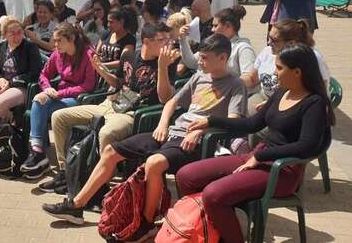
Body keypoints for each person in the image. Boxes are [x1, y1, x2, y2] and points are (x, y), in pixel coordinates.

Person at [43, 34, 246, 239]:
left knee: (154, 163)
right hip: (171, 133)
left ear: (222, 58)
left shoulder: (235, 85)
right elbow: (171, 102)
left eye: (204, 58)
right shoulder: (198, 77)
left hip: (196, 142)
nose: (199, 62)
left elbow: (233, 122)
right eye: (200, 57)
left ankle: (146, 223)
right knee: (110, 150)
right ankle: (76, 205)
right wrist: (163, 124)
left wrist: (201, 130)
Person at [176, 43, 333, 243]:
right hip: (258, 156)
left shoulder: (314, 103)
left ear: (297, 72)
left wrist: (259, 157)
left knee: (213, 195)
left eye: (279, 68)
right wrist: (211, 121)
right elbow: (251, 124)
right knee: (186, 176)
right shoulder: (281, 92)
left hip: (282, 170)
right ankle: (211, 232)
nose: (274, 74)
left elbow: (307, 146)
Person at [37, 23, 177, 192]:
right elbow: (117, 82)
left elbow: (165, 98)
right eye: (163, 40)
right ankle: (66, 172)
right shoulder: (129, 56)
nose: (168, 44)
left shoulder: (167, 63)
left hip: (134, 113)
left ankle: (101, 185)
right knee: (59, 117)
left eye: (169, 40)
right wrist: (101, 71)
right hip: (111, 103)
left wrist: (162, 67)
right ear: (147, 41)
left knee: (106, 133)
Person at [21, 22, 97, 178]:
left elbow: (88, 86)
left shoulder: (88, 54)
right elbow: (43, 75)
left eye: (59, 41)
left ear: (72, 39)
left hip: (79, 99)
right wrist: (47, 88)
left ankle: (38, 154)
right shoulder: (57, 54)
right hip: (59, 95)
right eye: (54, 41)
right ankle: (38, 151)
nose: (55, 45)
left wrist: (60, 94)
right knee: (39, 100)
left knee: (41, 103)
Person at [247, 19, 330, 120]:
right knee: (240, 111)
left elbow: (319, 89)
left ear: (291, 43)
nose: (269, 43)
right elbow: (252, 78)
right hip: (267, 96)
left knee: (261, 125)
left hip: (295, 102)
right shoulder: (267, 51)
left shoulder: (309, 57)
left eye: (274, 40)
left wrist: (275, 103)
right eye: (269, 37)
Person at [180, 5, 256, 89]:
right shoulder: (212, 44)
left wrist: (223, 85)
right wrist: (182, 39)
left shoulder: (243, 48)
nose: (212, 29)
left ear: (228, 26)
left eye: (215, 26)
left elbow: (249, 79)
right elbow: (191, 63)